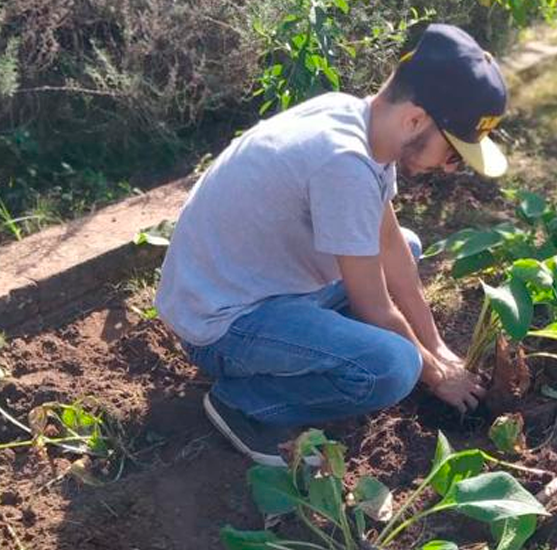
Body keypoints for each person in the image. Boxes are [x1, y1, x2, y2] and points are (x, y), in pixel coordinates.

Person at [155, 23, 509, 465]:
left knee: (411, 247)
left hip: (251, 285)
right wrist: (436, 376)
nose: (453, 167)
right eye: (453, 152)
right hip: (223, 325)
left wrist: (437, 347)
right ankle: (245, 405)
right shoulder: (344, 165)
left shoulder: (358, 120)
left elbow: (391, 244)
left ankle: (316, 348)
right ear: (415, 120)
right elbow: (375, 309)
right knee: (395, 367)